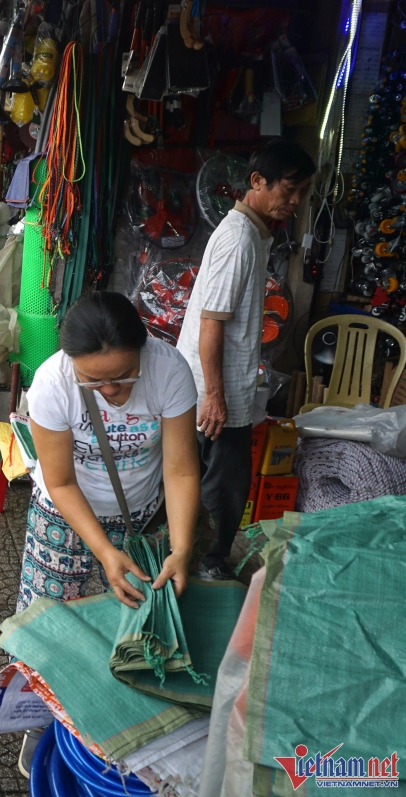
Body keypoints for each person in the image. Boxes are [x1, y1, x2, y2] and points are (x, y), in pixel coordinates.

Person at [176, 139, 314, 581]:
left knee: (217, 480)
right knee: (221, 485)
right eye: (288, 189)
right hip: (211, 390)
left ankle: (197, 557)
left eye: (301, 192)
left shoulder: (254, 233)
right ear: (257, 182)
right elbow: (211, 324)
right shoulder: (238, 239)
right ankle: (207, 563)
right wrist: (215, 397)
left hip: (223, 387)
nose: (294, 201)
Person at [19, 291, 201, 613]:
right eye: (93, 379)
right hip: (63, 514)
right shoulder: (52, 384)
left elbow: (181, 471)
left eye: (124, 375)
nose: (110, 389)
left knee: (136, 617)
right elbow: (61, 482)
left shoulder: (169, 371)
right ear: (71, 359)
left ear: (141, 350)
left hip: (139, 513)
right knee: (47, 617)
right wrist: (104, 551)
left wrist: (181, 549)